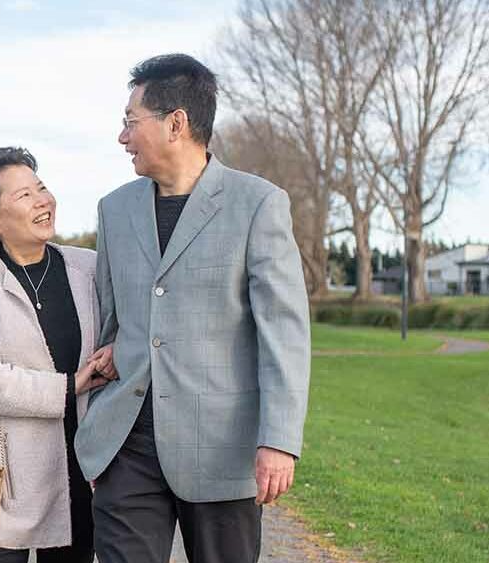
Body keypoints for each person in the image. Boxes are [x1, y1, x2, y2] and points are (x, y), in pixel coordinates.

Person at [75, 53, 313, 563]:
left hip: (221, 448)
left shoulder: (258, 204)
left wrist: (279, 441)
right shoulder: (113, 210)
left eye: (130, 123)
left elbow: (284, 334)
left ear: (176, 123)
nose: (122, 137)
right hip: (127, 446)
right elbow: (113, 319)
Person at [0, 147, 116, 563]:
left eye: (41, 188)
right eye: (24, 196)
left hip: (79, 475)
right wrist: (70, 385)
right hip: (3, 482)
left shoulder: (89, 268)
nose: (43, 200)